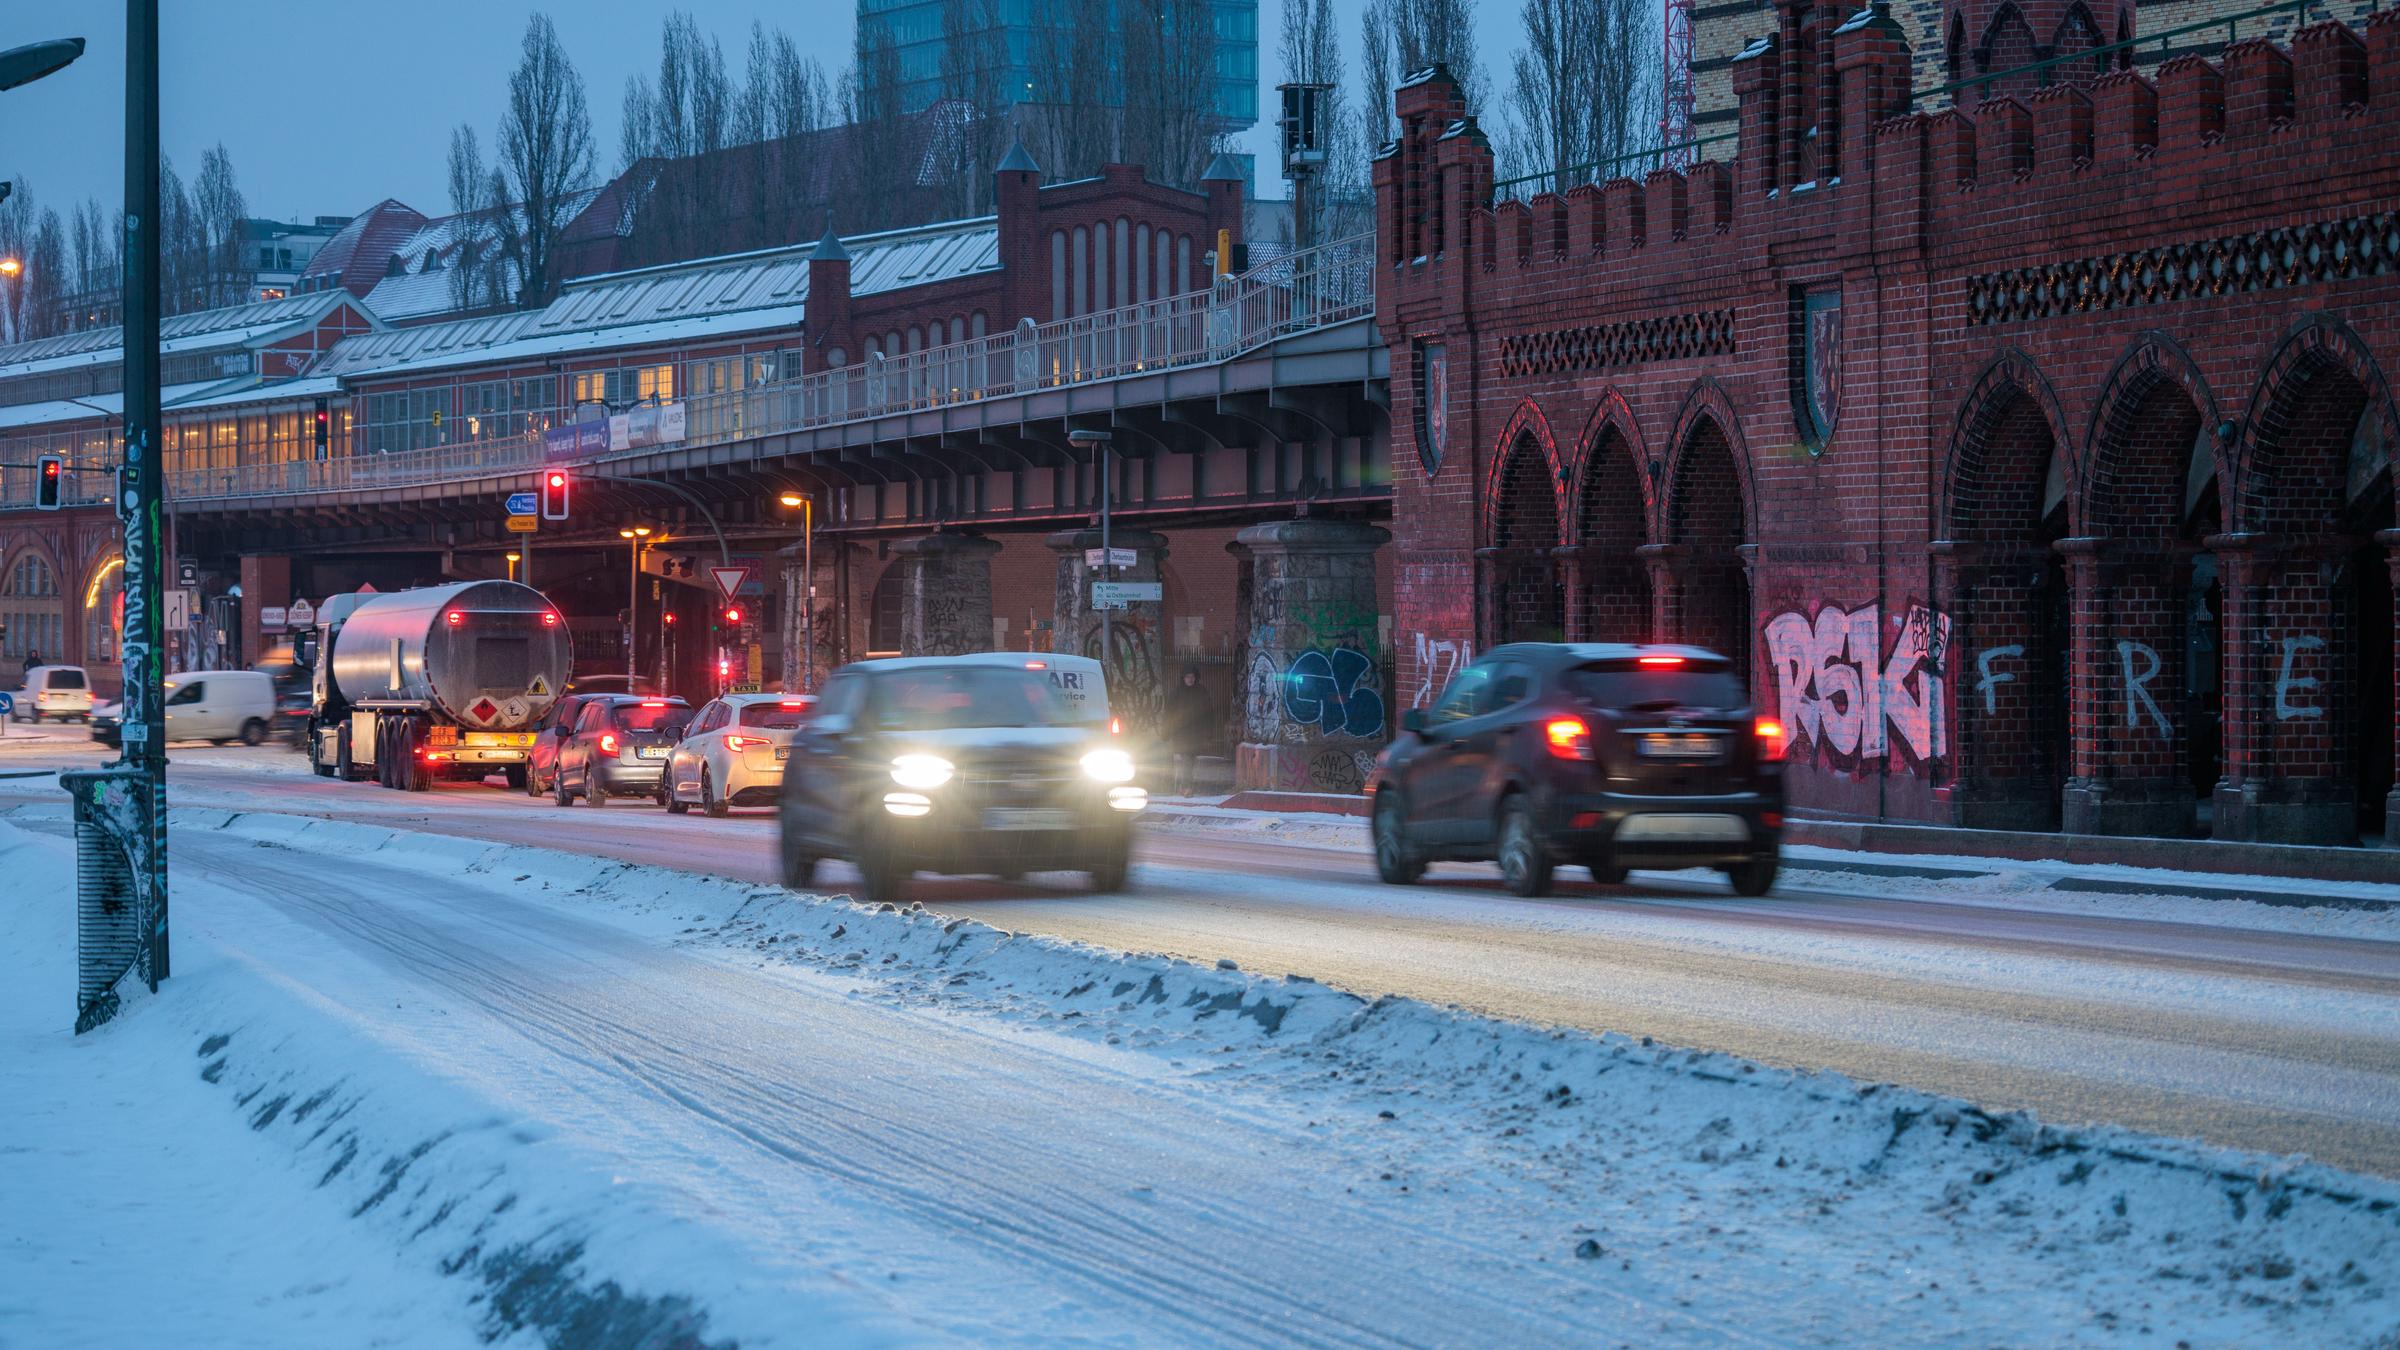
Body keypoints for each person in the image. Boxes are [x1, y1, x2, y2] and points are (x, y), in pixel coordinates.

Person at [1166, 666, 1216, 796]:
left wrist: (1209, 732)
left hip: (1196, 734)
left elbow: (1209, 713)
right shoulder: (1176, 693)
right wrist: (1167, 730)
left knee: (1190, 761)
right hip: (1181, 733)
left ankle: (1183, 785)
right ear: (1183, 678)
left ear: (1196, 677)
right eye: (1188, 676)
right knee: (1187, 759)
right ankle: (1187, 787)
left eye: (1192, 677)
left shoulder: (1201, 691)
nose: (1190, 679)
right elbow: (1169, 713)